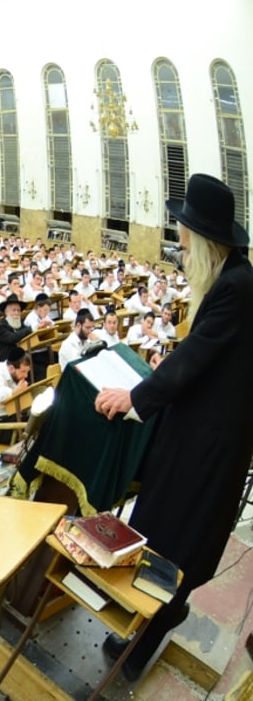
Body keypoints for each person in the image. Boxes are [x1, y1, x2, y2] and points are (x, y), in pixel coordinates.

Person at [96, 174, 253, 680]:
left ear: (205, 243)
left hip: (207, 448)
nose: (179, 251)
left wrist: (136, 396)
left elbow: (196, 359)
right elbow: (199, 352)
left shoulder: (237, 287)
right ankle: (156, 615)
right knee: (167, 531)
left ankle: (139, 646)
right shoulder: (234, 278)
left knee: (172, 538)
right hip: (201, 438)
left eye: (184, 242)